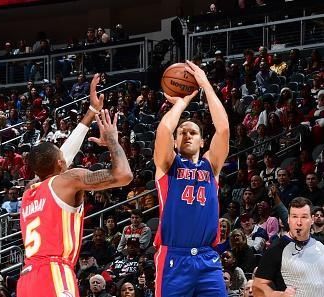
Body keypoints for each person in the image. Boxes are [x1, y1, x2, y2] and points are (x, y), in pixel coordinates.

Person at [17, 109, 133, 297]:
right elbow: (124, 175)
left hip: (27, 278)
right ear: (62, 164)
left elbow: (56, 161)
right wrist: (112, 140)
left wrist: (91, 112)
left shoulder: (29, 191)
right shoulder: (68, 180)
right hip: (54, 273)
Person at [153, 61, 230, 297]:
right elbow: (164, 131)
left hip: (208, 257)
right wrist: (182, 103)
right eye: (182, 132)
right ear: (176, 141)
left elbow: (224, 129)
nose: (187, 135)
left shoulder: (211, 165)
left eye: (193, 132)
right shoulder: (168, 165)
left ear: (202, 141)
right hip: (174, 257)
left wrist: (205, 83)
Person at [253, 197, 324, 297]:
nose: (299, 222)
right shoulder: (276, 249)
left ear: (312, 219)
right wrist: (279, 295)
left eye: (304, 217)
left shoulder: (320, 245)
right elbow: (257, 287)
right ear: (288, 219)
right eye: (294, 217)